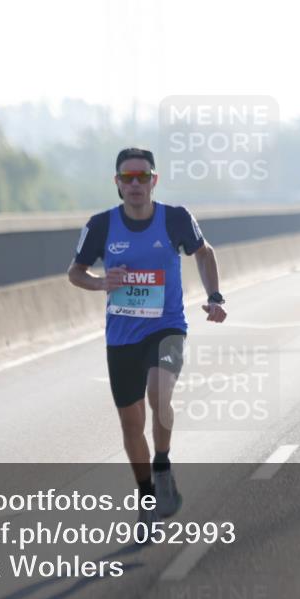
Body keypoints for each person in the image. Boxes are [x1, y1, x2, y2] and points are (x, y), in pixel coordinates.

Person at [67, 147, 227, 529]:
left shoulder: (176, 219)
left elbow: (203, 254)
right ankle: (147, 497)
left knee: (160, 395)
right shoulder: (101, 225)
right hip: (122, 336)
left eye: (143, 177)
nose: (135, 184)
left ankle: (163, 464)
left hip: (167, 326)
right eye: (128, 178)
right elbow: (75, 272)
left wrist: (214, 296)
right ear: (118, 184)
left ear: (154, 180)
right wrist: (101, 282)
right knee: (130, 425)